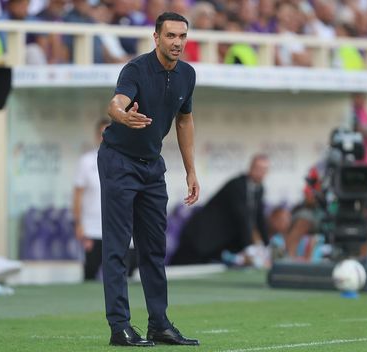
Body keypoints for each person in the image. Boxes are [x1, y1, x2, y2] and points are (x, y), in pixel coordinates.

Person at [98, 12, 199, 347]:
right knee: (117, 248)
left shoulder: (187, 74)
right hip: (119, 162)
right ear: (156, 37)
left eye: (182, 36)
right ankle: (119, 327)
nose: (177, 43)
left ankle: (159, 324)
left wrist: (191, 171)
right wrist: (121, 116)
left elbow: (184, 121)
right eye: (170, 36)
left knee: (154, 249)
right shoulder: (135, 69)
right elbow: (116, 103)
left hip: (152, 167)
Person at [172, 154, 270, 265]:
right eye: (257, 168)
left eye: (264, 169)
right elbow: (242, 217)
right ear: (250, 167)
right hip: (201, 236)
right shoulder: (237, 185)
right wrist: (249, 248)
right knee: (182, 268)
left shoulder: (259, 189)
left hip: (217, 243)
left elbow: (259, 217)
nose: (260, 172)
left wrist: (267, 246)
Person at [73, 118, 109, 281]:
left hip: (117, 228)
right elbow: (78, 194)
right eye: (102, 134)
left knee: (119, 274)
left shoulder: (125, 160)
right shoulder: (87, 161)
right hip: (92, 228)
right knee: (90, 274)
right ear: (96, 136)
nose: (105, 138)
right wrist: (79, 224)